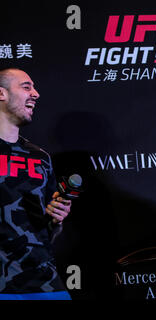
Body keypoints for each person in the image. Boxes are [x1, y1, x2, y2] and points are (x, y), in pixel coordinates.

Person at [0, 67, 72, 300]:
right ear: (1, 94)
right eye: (26, 87)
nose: (36, 94)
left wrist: (56, 219)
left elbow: (50, 232)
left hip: (47, 284)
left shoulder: (39, 157)